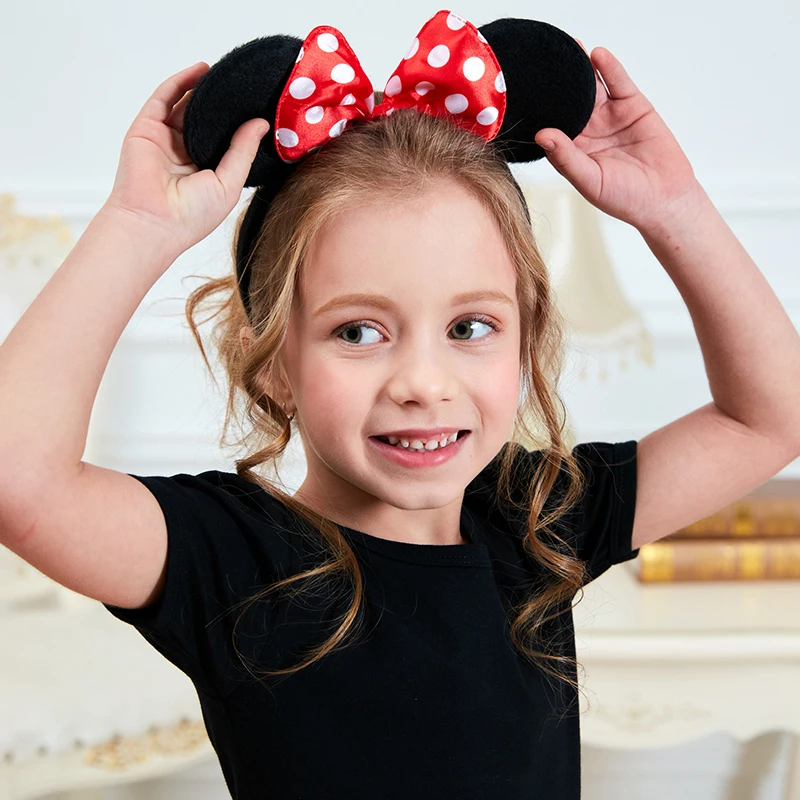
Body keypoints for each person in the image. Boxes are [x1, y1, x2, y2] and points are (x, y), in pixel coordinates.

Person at [1, 10, 798, 800]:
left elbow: (771, 417)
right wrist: (137, 225)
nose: (423, 381)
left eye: (469, 327)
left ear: (526, 339)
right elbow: (20, 481)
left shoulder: (535, 524)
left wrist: (676, 208)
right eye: (358, 331)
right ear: (274, 362)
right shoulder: (237, 560)